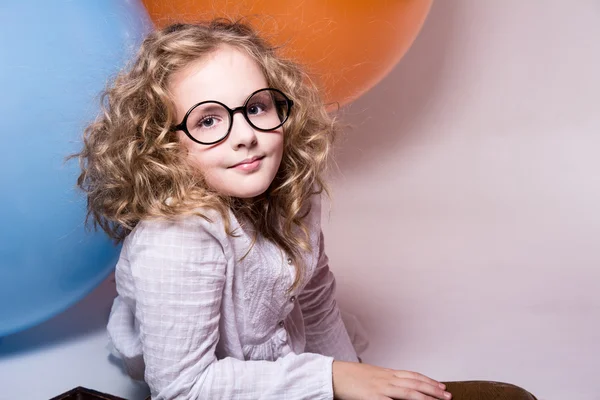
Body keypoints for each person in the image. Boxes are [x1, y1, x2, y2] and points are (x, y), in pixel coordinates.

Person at [74, 20, 452, 400]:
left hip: (264, 338)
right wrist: (329, 378)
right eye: (208, 120)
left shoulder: (291, 191)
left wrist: (353, 374)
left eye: (256, 106)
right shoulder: (175, 239)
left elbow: (315, 300)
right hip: (192, 369)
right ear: (165, 144)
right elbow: (183, 388)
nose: (246, 135)